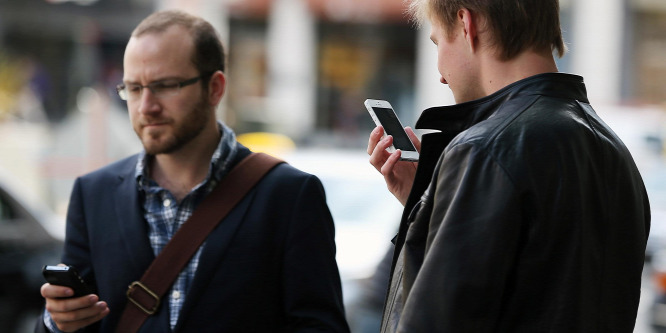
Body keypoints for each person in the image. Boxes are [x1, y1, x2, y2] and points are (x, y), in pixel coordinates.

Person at [37, 10, 349, 332]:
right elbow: (77, 320)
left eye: (165, 85)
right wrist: (56, 322)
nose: (146, 106)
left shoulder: (289, 196)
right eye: (133, 88)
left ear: (215, 88)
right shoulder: (93, 194)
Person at [367, 0, 650, 332]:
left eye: (438, 43)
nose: (441, 76)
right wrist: (428, 202)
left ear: (465, 24)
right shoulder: (613, 151)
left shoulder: (483, 150)